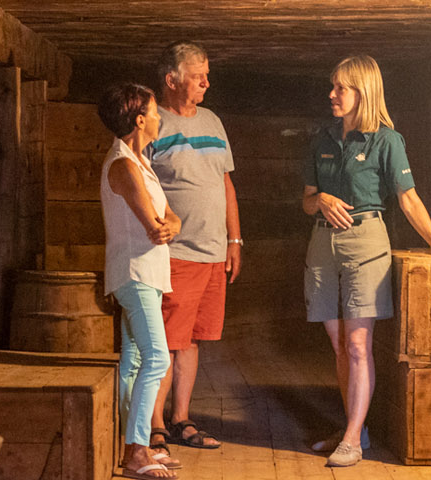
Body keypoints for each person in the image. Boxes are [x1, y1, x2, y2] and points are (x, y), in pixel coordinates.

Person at [301, 55, 431, 467]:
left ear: (362, 92)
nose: (332, 94)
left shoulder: (387, 140)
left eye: (341, 88)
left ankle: (351, 439)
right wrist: (322, 201)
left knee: (357, 343)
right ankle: (355, 426)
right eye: (332, 86)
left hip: (366, 240)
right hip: (322, 244)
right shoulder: (322, 139)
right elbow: (307, 200)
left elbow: (407, 198)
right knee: (337, 345)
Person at [145, 41, 235, 453]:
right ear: (172, 80)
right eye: (198, 75)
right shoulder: (152, 123)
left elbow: (225, 183)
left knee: (193, 340)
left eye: (207, 74)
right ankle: (154, 424)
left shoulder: (213, 120)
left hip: (214, 251)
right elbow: (139, 184)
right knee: (166, 339)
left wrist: (235, 240)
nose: (206, 82)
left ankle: (181, 418)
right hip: (175, 252)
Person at [99, 82, 184, 480]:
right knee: (158, 358)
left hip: (146, 273)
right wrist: (163, 224)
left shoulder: (141, 161)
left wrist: (169, 223)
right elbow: (154, 224)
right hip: (133, 273)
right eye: (153, 111)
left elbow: (172, 217)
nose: (158, 117)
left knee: (134, 360)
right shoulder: (122, 164)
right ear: (139, 120)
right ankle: (136, 450)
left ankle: (128, 444)